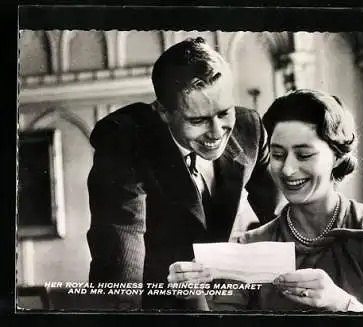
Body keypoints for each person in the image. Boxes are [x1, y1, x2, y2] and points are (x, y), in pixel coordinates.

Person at [167, 89, 363, 312]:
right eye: (277, 154)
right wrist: (193, 295)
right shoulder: (251, 243)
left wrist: (339, 302)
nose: (287, 170)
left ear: (338, 157)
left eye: (304, 154)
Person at [86, 37, 279, 310]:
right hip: (159, 306)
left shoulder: (250, 129)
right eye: (197, 120)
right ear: (163, 111)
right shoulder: (125, 141)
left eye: (224, 113)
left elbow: (279, 222)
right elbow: (120, 264)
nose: (216, 133)